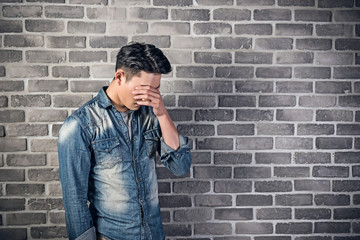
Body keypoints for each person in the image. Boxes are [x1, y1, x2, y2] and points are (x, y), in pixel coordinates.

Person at [58, 42, 192, 240]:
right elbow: (74, 200)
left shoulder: (151, 114)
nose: (149, 97)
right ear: (120, 77)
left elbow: (180, 167)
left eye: (155, 89)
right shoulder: (79, 125)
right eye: (144, 89)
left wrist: (162, 113)